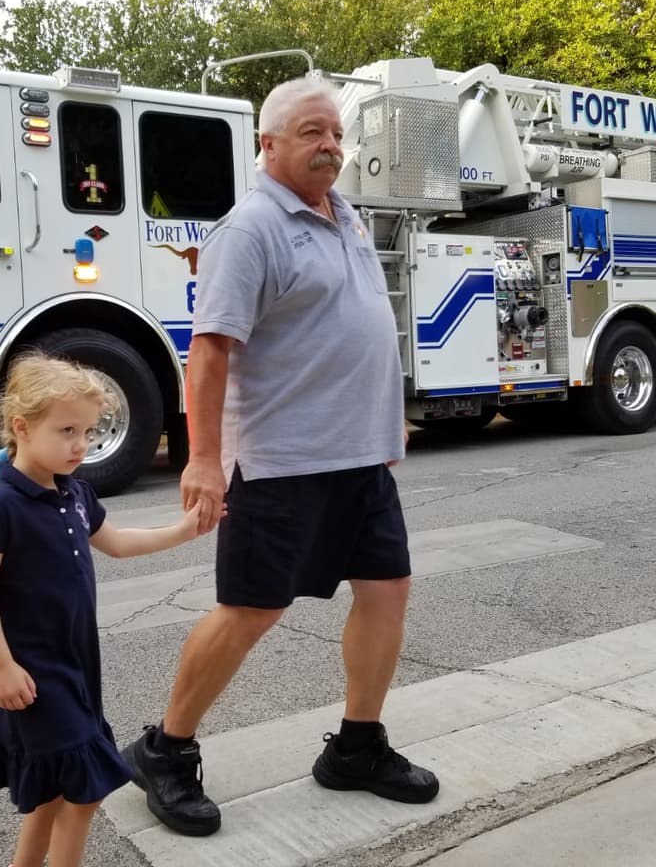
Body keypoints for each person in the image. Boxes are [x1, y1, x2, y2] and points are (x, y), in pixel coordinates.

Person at [119, 77, 440, 836]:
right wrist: (202, 460)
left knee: (387, 590)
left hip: (358, 458)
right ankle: (164, 749)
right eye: (310, 132)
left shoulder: (346, 216)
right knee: (252, 609)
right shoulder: (252, 228)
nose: (329, 145)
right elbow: (210, 350)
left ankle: (357, 747)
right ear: (268, 144)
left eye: (335, 132)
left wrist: (382, 430)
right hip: (279, 462)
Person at [0, 354, 205, 867]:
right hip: (34, 671)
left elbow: (116, 542)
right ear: (22, 427)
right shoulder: (0, 505)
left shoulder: (74, 492)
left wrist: (181, 532)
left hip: (77, 664)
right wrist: (1, 667)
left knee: (54, 794)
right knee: (84, 789)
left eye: (89, 430)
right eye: (67, 430)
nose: (82, 444)